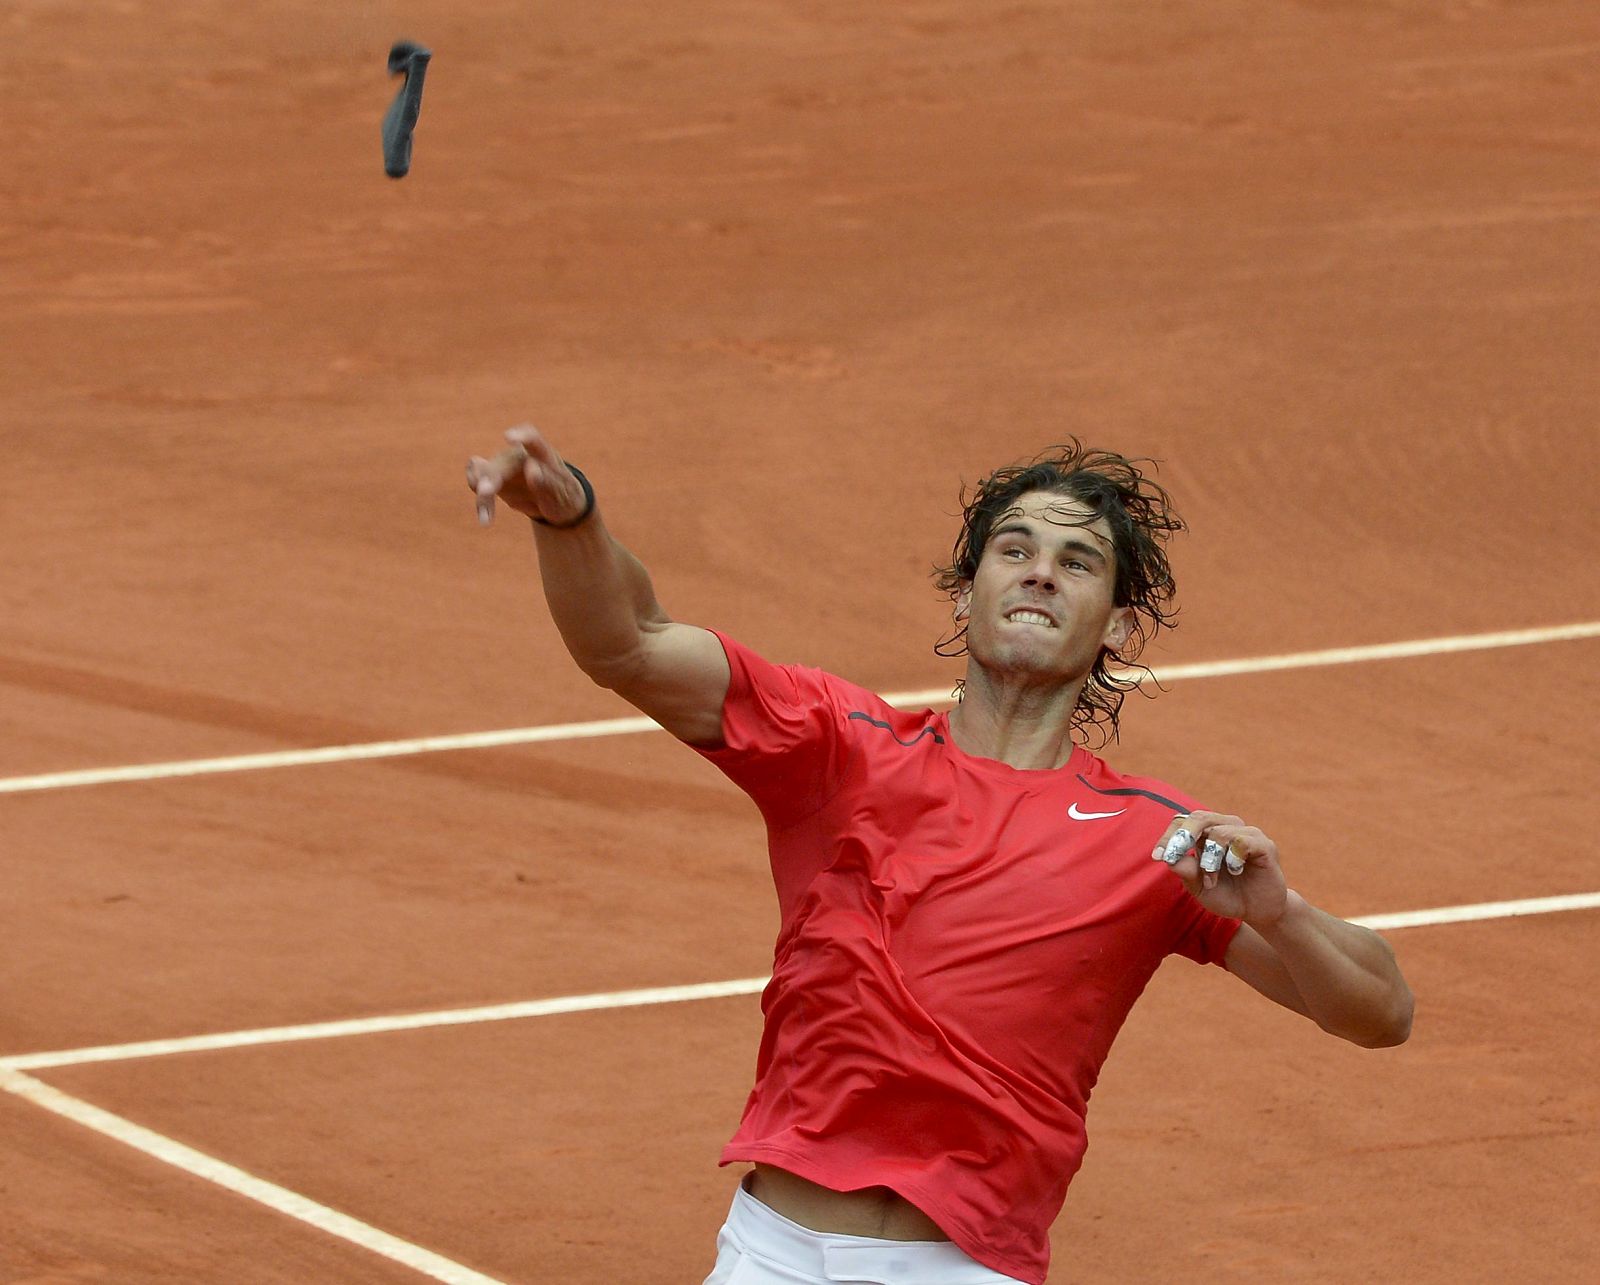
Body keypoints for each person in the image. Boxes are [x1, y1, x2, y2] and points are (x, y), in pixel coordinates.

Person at [466, 427, 1414, 1285]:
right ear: (969, 594)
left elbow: (1381, 1012)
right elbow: (627, 642)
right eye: (1015, 550)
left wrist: (1279, 914)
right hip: (770, 1256)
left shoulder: (1155, 840)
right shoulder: (836, 745)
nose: (1040, 573)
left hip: (966, 1271)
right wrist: (569, 513)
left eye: (1077, 561)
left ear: (1120, 625)